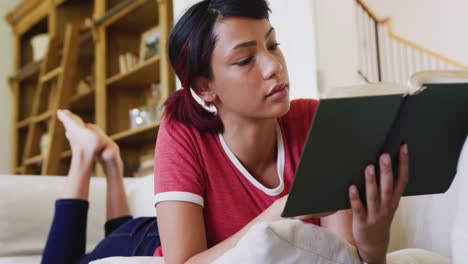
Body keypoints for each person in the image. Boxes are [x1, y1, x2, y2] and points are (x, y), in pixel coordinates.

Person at [153, 0, 408, 264]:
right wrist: (286, 210)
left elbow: (342, 254)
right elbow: (183, 262)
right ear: (205, 87)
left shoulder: (314, 121)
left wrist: (373, 246)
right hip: (145, 237)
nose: (274, 66)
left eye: (273, 46)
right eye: (245, 60)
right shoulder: (181, 133)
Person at [41, 110, 160, 264]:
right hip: (157, 240)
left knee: (123, 242)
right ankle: (86, 154)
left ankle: (105, 161)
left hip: (152, 233)